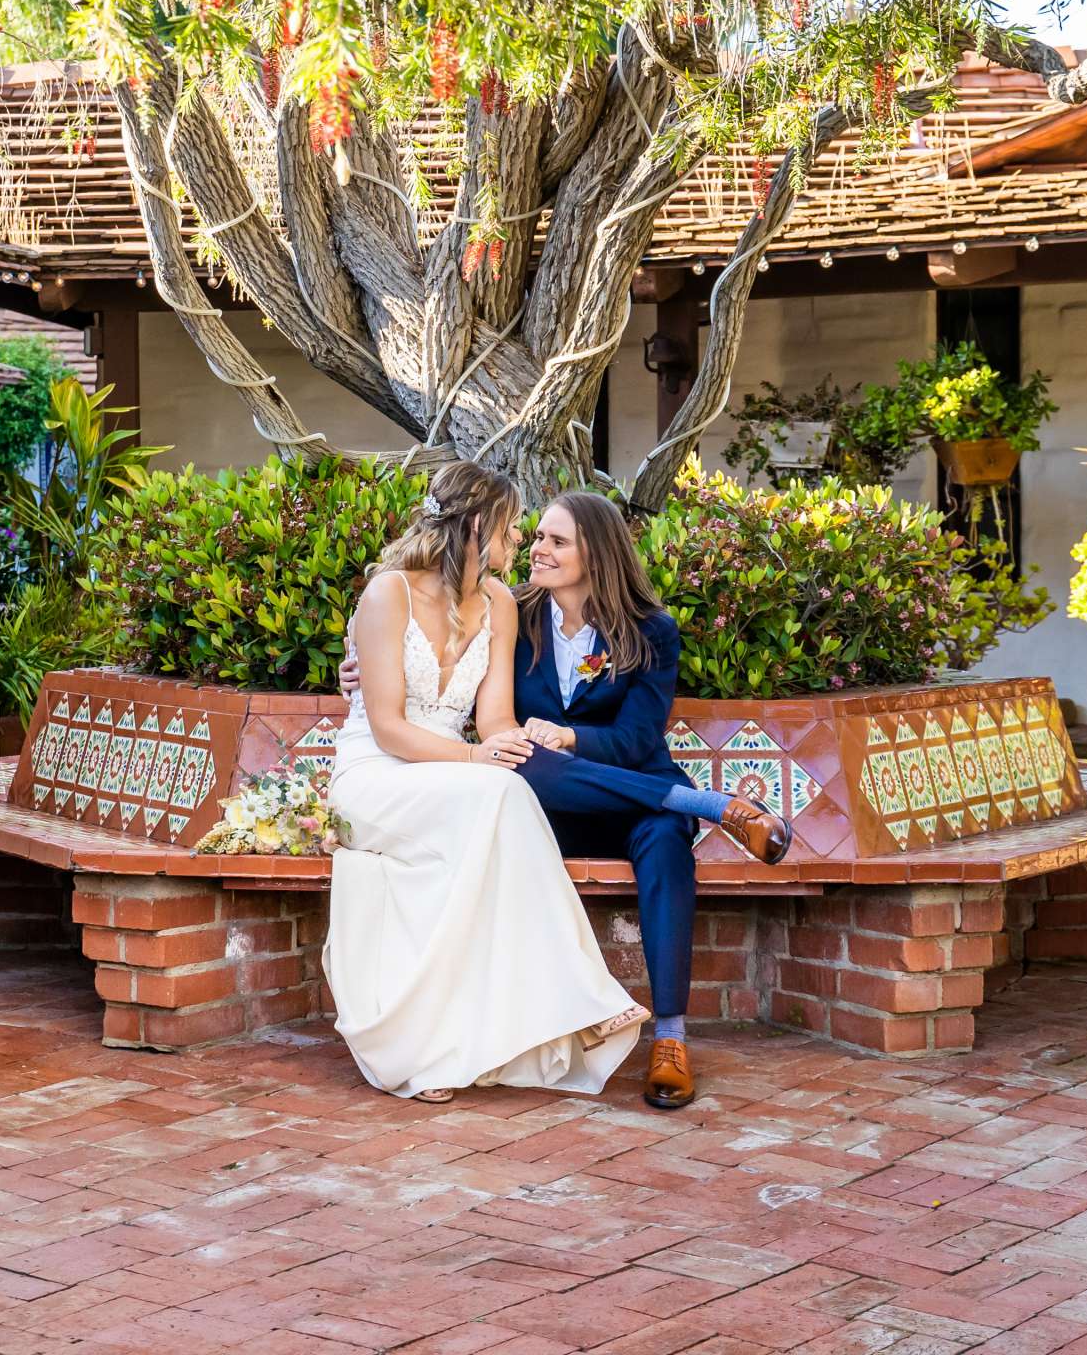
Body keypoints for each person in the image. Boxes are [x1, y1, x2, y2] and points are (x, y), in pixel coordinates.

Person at [346, 489, 792, 1112]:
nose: (538, 549)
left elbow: (639, 738)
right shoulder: (512, 611)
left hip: (626, 798)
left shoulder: (650, 633)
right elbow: (471, 697)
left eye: (557, 541)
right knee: (532, 768)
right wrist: (365, 668)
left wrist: (571, 735)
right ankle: (708, 806)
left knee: (664, 843)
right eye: (536, 538)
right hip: (545, 806)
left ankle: (669, 1039)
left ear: (596, 553)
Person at [324, 462, 649, 1104]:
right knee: (500, 793)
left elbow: (493, 719)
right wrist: (478, 761)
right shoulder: (388, 593)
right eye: (510, 528)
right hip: (376, 771)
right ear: (478, 525)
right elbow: (388, 729)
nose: (519, 541)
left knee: (504, 797)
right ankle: (584, 997)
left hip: (448, 775)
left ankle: (445, 1047)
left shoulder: (501, 602)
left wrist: (512, 742)